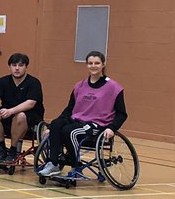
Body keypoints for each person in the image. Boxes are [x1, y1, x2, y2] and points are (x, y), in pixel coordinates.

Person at [38, 51, 126, 179]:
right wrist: (51, 127)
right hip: (77, 120)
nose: (93, 66)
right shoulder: (80, 85)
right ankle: (53, 163)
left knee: (70, 132)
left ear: (103, 64)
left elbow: (122, 114)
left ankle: (76, 165)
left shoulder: (114, 87)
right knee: (56, 124)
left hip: (97, 124)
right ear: (87, 65)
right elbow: (69, 109)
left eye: (97, 63)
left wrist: (111, 128)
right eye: (90, 63)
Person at [0, 53, 44, 165]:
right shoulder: (2, 81)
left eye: (21, 65)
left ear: (26, 67)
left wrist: (11, 111)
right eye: (14, 65)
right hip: (8, 115)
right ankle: (1, 149)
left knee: (20, 116)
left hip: (30, 117)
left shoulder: (34, 82)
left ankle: (13, 150)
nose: (17, 68)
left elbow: (30, 103)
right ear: (9, 67)